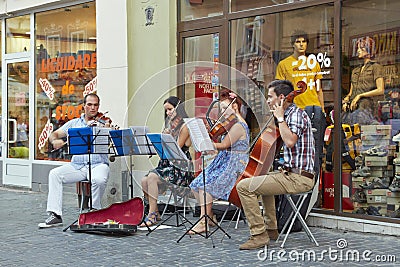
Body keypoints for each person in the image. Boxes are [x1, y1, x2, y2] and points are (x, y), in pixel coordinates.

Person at [237, 80, 315, 250]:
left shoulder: (295, 115)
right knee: (262, 181)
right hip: (289, 174)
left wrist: (279, 118)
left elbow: (289, 141)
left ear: (281, 97)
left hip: (299, 178)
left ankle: (258, 235)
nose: (267, 100)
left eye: (270, 96)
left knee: (244, 187)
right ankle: (271, 229)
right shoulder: (287, 116)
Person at [38, 93, 110, 228]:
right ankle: (55, 215)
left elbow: (112, 138)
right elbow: (54, 134)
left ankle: (94, 212)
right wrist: (55, 140)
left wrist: (106, 130)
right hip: (77, 166)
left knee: (99, 179)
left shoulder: (103, 123)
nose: (93, 108)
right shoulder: (74, 123)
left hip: (98, 164)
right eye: (89, 104)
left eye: (95, 105)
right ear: (84, 106)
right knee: (55, 174)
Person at [189, 92, 249, 234]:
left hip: (234, 164)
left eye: (224, 108)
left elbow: (223, 145)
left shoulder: (239, 125)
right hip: (224, 160)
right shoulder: (231, 125)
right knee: (196, 184)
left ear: (234, 106)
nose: (222, 112)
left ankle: (203, 222)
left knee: (205, 186)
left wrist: (206, 143)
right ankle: (209, 216)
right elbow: (225, 148)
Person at [276, 30, 325, 175]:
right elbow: (280, 89)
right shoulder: (284, 64)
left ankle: (312, 179)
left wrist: (321, 109)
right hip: (295, 109)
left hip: (313, 109)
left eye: (304, 41)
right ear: (293, 44)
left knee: (314, 147)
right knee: (294, 147)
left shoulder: (313, 62)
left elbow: (319, 89)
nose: (301, 44)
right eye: (298, 41)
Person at [140, 96, 194, 227]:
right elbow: (164, 150)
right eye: (166, 111)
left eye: (170, 109)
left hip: (181, 168)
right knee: (144, 180)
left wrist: (168, 138)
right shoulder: (170, 125)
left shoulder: (184, 126)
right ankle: (155, 212)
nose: (168, 113)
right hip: (167, 165)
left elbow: (176, 149)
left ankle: (152, 214)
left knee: (152, 177)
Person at [342, 36, 384, 125]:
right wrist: (346, 100)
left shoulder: (375, 67)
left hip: (366, 107)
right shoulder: (355, 70)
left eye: (361, 48)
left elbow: (380, 90)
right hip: (353, 107)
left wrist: (360, 96)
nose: (358, 51)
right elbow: (351, 92)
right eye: (358, 48)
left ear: (368, 49)